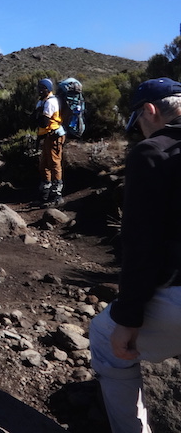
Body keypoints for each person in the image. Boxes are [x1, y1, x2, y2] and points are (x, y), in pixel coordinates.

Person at [90, 77, 181, 433]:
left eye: (140, 123)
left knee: (103, 336)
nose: (141, 132)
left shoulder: (153, 151)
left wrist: (128, 318)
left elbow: (142, 244)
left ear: (150, 110)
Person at [34, 78, 66, 206]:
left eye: (43, 88)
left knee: (54, 163)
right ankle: (45, 194)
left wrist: (38, 116)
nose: (40, 90)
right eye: (39, 88)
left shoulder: (50, 102)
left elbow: (44, 122)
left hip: (54, 136)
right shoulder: (42, 102)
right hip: (46, 136)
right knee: (44, 165)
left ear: (48, 89)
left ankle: (56, 195)